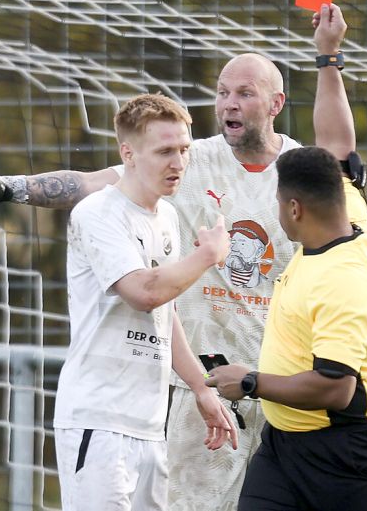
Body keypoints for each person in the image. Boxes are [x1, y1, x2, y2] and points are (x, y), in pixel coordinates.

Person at [0, 5, 355, 509]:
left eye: (244, 93)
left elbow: (339, 154)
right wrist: (9, 188)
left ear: (276, 104)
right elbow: (95, 184)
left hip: (285, 387)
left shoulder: (299, 169)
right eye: (222, 92)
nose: (229, 102)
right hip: (208, 385)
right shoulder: (186, 158)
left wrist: (328, 56)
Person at [204, 76, 367, 508]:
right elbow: (336, 143)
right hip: (283, 447)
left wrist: (251, 382)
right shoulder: (345, 212)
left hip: (348, 455)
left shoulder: (343, 279)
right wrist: (327, 58)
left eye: (278, 203)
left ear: (294, 208)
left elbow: (335, 390)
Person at [54, 92, 237, 510]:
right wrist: (208, 255)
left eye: (184, 150)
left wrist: (200, 388)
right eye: (165, 151)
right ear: (128, 153)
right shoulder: (98, 212)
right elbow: (143, 292)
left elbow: (164, 311)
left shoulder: (167, 216)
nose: (178, 163)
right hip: (98, 420)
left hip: (150, 424)